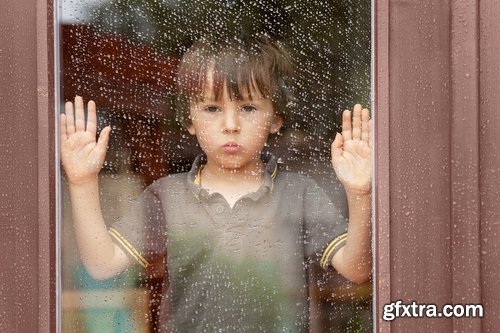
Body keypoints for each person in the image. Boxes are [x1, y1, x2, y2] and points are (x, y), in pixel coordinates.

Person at [61, 35, 372, 332]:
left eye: (248, 108)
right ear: (189, 119)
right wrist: (82, 181)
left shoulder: (299, 193)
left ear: (276, 117)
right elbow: (103, 266)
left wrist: (359, 193)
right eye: (212, 108)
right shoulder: (167, 196)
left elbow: (357, 269)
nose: (231, 125)